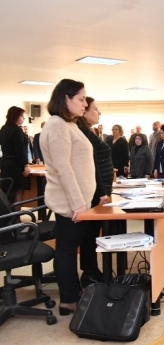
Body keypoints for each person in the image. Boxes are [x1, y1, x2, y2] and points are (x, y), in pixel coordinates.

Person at [39, 79, 95, 315]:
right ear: (66, 98)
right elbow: (63, 168)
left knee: (69, 249)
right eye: (81, 99)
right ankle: (69, 300)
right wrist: (77, 204)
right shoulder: (57, 126)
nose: (85, 103)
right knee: (67, 250)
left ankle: (72, 295)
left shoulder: (68, 124)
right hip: (70, 204)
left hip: (78, 203)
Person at [75, 96, 113, 287]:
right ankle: (89, 272)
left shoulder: (89, 131)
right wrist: (102, 192)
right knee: (89, 234)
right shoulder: (82, 133)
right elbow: (93, 167)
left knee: (92, 233)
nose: (99, 112)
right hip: (94, 193)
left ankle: (91, 269)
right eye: (96, 109)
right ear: (85, 112)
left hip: (98, 191)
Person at [0, 106, 31, 207]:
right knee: (18, 191)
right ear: (15, 116)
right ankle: (16, 215)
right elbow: (20, 149)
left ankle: (8, 215)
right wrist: (26, 164)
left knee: (8, 192)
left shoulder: (3, 129)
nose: (23, 118)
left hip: (5, 163)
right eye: (22, 116)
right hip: (16, 165)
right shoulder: (17, 130)